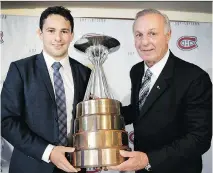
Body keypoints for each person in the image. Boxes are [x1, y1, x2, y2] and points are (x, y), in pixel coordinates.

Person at [109, 9, 212, 173]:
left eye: (152, 34)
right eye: (139, 35)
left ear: (168, 35)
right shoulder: (136, 71)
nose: (144, 42)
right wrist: (107, 110)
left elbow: (199, 138)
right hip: (141, 168)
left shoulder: (195, 78)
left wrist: (148, 160)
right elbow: (140, 110)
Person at [1, 6, 91, 173]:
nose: (58, 38)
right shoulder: (21, 70)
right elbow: (6, 121)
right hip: (31, 166)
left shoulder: (85, 73)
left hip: (75, 167)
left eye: (64, 31)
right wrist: (48, 152)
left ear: (71, 35)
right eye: (51, 30)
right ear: (40, 33)